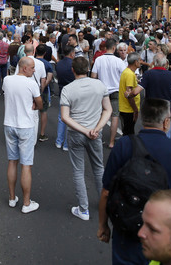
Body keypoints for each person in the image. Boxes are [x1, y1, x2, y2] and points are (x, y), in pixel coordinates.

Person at [98, 98, 171, 265]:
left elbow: (106, 191)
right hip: (165, 233)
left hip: (127, 229)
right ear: (166, 122)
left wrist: (103, 225)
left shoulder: (124, 145)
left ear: (141, 117)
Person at [61, 56, 112, 221]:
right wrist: (96, 129)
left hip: (76, 133)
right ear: (88, 68)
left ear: (73, 70)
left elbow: (65, 117)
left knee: (78, 170)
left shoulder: (68, 89)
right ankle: (105, 204)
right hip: (95, 132)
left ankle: (83, 209)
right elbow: (107, 110)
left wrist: (83, 130)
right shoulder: (99, 85)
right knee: (98, 168)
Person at [3, 56, 43, 214]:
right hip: (25, 125)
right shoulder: (31, 83)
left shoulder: (7, 80)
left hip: (9, 124)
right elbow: (39, 103)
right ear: (24, 68)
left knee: (12, 161)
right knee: (26, 165)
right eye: (32, 68)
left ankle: (12, 198)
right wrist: (34, 104)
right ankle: (26, 203)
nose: (34, 71)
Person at [91, 38, 126, 149]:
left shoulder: (99, 60)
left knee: (100, 114)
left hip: (102, 90)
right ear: (114, 48)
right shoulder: (119, 61)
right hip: (116, 90)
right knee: (115, 116)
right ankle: (111, 142)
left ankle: (97, 137)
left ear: (105, 48)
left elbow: (93, 76)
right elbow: (125, 77)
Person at [55, 44, 76, 151]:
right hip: (73, 92)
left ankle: (59, 141)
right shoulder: (73, 64)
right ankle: (67, 144)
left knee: (61, 117)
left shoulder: (59, 64)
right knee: (71, 118)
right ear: (72, 53)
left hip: (62, 90)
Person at [118, 52, 142, 136]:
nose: (141, 62)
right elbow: (129, 95)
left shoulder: (127, 72)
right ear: (135, 62)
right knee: (129, 133)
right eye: (139, 60)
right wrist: (135, 110)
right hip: (128, 109)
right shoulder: (129, 74)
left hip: (126, 108)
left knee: (128, 132)